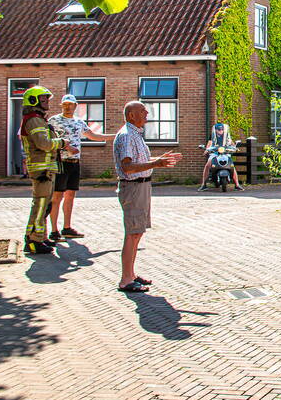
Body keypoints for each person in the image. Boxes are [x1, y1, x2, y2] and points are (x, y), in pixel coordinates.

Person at [112, 101, 181, 293]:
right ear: (131, 115)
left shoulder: (135, 134)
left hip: (141, 187)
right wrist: (156, 164)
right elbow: (127, 166)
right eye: (143, 111)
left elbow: (138, 162)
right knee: (132, 232)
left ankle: (131, 274)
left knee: (138, 231)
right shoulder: (127, 136)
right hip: (133, 188)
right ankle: (125, 279)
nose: (147, 113)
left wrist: (158, 160)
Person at [47, 93, 115, 241]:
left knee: (70, 195)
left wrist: (116, 136)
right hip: (60, 163)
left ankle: (67, 227)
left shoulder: (79, 122)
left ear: (75, 106)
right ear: (61, 105)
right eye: (65, 104)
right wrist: (66, 148)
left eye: (70, 104)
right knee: (57, 196)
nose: (67, 107)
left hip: (74, 163)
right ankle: (53, 230)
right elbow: (48, 141)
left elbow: (93, 136)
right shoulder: (53, 121)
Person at [19, 87, 77, 255]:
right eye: (44, 99)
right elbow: (43, 143)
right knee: (40, 205)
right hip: (41, 170)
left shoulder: (38, 119)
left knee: (46, 205)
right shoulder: (34, 120)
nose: (48, 102)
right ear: (33, 101)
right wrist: (62, 142)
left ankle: (40, 237)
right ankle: (33, 241)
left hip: (46, 169)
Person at [197, 122, 243, 191]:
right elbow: (209, 143)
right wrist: (206, 150)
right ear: (215, 130)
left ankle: (237, 185)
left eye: (222, 130)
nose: (221, 131)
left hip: (225, 152)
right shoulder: (213, 136)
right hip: (215, 153)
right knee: (207, 165)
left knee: (232, 166)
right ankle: (203, 184)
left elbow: (230, 142)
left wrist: (235, 147)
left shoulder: (226, 135)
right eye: (219, 130)